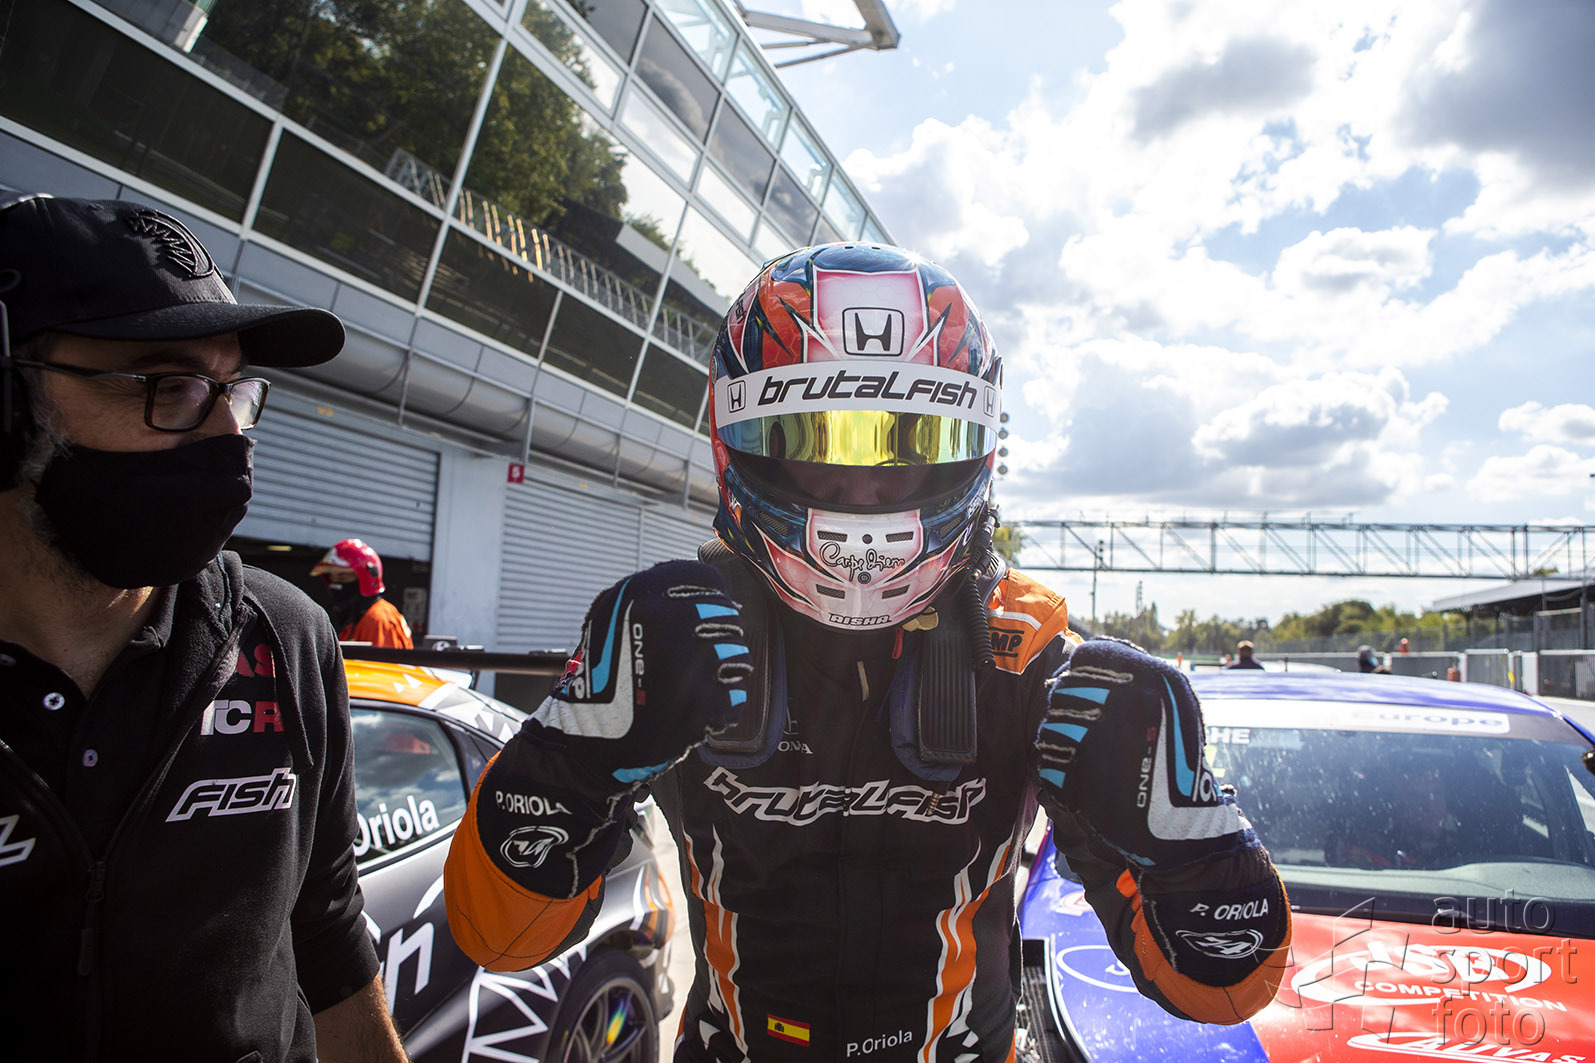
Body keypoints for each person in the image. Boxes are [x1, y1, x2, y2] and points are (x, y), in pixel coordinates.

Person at [443, 244, 1291, 1061]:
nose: (861, 491)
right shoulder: (676, 639)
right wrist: (574, 754)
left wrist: (1187, 835)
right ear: (743, 443)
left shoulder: (1030, 664)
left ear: (972, 451)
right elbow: (498, 936)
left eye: (906, 448)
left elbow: (1224, 987)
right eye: (814, 444)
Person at [0, 194, 405, 1061]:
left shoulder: (285, 635)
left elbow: (328, 935)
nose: (229, 434)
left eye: (235, 391)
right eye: (170, 385)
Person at [312, 537, 414, 648]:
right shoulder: (357, 620)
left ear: (366, 579)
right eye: (332, 578)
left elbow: (379, 659)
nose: (335, 584)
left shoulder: (377, 619)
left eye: (342, 577)